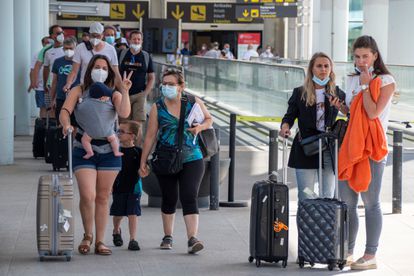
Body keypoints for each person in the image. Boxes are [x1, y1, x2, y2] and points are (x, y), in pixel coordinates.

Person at [59, 54, 132, 256]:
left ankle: (100, 241)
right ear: (90, 69)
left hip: (109, 151)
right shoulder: (79, 90)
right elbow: (65, 110)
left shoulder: (114, 93)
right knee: (88, 194)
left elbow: (124, 113)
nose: (100, 70)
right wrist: (66, 124)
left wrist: (125, 91)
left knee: (102, 196)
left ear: (109, 72)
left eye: (104, 67)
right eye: (97, 66)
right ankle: (87, 235)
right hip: (84, 148)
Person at [139, 68, 213, 254]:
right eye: (164, 84)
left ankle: (192, 238)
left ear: (181, 86)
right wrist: (143, 161)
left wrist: (200, 128)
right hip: (166, 157)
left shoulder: (192, 102)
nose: (166, 87)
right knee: (169, 197)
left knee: (189, 196)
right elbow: (150, 136)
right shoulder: (158, 107)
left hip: (192, 156)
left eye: (171, 84)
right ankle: (168, 236)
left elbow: (209, 119)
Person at [338, 35, 396, 270]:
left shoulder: (385, 81)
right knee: (347, 202)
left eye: (365, 56)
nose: (361, 61)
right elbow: (354, 114)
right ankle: (348, 250)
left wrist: (365, 84)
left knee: (370, 203)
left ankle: (370, 254)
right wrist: (341, 106)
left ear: (375, 56)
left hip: (373, 149)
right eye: (357, 57)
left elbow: (372, 113)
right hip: (352, 146)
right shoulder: (352, 79)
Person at [279, 52, 346, 202]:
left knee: (327, 195)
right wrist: (285, 127)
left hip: (328, 148)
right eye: (319, 66)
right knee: (306, 193)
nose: (323, 69)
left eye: (326, 66)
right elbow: (289, 116)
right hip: (306, 147)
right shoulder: (300, 92)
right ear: (312, 69)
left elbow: (351, 113)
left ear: (331, 69)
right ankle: (307, 223)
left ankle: (325, 224)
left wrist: (341, 108)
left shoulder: (337, 92)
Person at [110, 120, 143, 251]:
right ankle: (116, 230)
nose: (118, 134)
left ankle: (133, 239)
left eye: (122, 132)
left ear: (132, 136)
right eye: (118, 131)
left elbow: (144, 167)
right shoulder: (115, 150)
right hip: (118, 186)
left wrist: (144, 170)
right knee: (118, 214)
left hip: (134, 187)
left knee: (132, 213)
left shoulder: (138, 151)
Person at [119, 30, 155, 143]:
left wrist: (145, 93)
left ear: (142, 41)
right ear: (129, 40)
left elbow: (151, 77)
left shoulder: (146, 56)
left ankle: (137, 149)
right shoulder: (122, 54)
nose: (136, 41)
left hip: (139, 94)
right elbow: (115, 74)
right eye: (134, 39)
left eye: (139, 39)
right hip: (124, 94)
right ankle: (124, 148)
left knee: (137, 125)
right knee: (124, 124)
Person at [63, 22, 122, 91]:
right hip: (86, 87)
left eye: (98, 36)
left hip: (105, 88)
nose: (95, 38)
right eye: (93, 36)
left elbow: (116, 73)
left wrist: (122, 90)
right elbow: (74, 71)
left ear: (102, 35)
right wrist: (68, 83)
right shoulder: (80, 48)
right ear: (89, 35)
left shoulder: (110, 49)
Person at [80, 82, 123, 159]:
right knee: (114, 139)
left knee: (85, 140)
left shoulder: (87, 102)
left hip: (91, 131)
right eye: (107, 96)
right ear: (102, 98)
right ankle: (116, 151)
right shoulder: (107, 103)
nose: (108, 98)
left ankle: (89, 152)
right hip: (106, 131)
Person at [50, 37, 81, 123]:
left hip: (77, 98)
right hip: (61, 97)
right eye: (66, 48)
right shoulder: (57, 61)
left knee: (75, 124)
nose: (68, 50)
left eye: (71, 48)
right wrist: (52, 99)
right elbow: (55, 82)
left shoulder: (80, 62)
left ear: (75, 48)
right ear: (63, 48)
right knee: (61, 123)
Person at [28, 36, 50, 118]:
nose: (48, 44)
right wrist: (33, 82)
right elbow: (32, 69)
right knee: (43, 107)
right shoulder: (37, 54)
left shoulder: (55, 52)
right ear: (42, 44)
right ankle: (43, 126)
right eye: (46, 42)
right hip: (40, 87)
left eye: (49, 42)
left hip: (52, 86)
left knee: (52, 107)